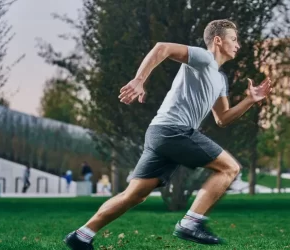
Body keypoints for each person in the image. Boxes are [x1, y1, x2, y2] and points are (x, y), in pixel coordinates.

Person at [64, 19, 272, 249]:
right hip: (173, 130)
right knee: (230, 168)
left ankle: (81, 235)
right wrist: (139, 80)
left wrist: (250, 100)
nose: (238, 45)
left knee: (134, 195)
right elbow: (162, 47)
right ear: (218, 40)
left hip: (160, 133)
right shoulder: (204, 58)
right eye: (234, 39)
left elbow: (222, 118)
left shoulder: (220, 79)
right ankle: (191, 224)